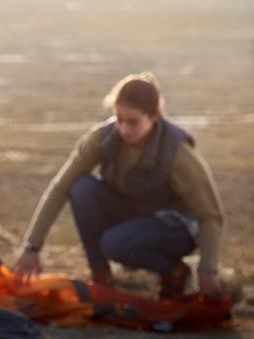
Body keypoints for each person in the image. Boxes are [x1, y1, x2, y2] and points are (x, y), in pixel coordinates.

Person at [12, 72, 227, 299]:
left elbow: (210, 215)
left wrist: (207, 272)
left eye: (133, 122)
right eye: (119, 119)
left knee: (115, 244)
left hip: (173, 227)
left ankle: (173, 271)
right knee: (81, 187)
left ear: (154, 116)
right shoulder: (102, 138)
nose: (124, 129)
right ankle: (101, 277)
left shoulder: (177, 152)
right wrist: (32, 247)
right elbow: (59, 187)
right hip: (132, 216)